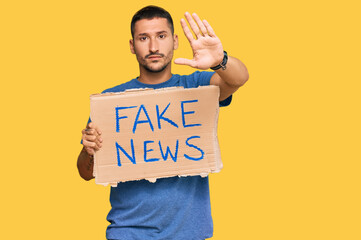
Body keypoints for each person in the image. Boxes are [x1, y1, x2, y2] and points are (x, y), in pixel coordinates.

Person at [77, 5, 249, 240]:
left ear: (175, 41)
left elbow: (238, 79)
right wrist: (89, 151)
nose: (153, 47)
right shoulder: (111, 102)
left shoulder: (196, 86)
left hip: (188, 233)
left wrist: (220, 60)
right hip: (127, 232)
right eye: (143, 38)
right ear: (132, 45)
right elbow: (86, 173)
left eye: (161, 36)